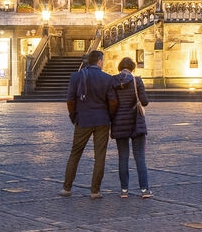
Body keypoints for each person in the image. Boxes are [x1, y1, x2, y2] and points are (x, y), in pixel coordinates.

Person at [61, 49, 116, 198]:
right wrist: (110, 116)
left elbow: (70, 100)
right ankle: (95, 191)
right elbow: (112, 101)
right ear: (99, 61)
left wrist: (74, 116)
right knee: (100, 156)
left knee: (75, 153)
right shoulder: (107, 78)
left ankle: (67, 188)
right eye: (102, 61)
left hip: (83, 119)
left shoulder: (76, 76)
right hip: (102, 120)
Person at [110, 56, 151, 198]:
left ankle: (124, 190)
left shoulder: (113, 81)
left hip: (119, 123)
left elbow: (111, 103)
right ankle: (144, 190)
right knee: (139, 156)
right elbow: (144, 101)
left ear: (120, 67)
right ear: (132, 68)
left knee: (123, 156)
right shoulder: (137, 80)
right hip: (135, 122)